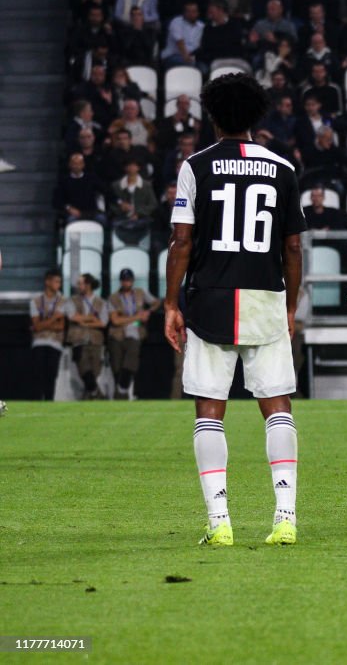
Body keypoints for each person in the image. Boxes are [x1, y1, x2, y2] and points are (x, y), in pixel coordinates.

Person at [163, 73, 307, 547]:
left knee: (209, 409)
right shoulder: (283, 168)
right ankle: (285, 518)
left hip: (211, 299)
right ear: (256, 115)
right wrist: (290, 305)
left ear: (211, 114)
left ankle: (219, 521)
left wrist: (170, 303)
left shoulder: (196, 166)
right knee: (277, 406)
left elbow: (181, 241)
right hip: (265, 297)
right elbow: (292, 248)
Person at [107, 268, 160, 399]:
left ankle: (122, 390)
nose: (127, 283)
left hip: (135, 332)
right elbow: (115, 320)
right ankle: (121, 393)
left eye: (129, 280)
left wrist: (148, 312)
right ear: (121, 281)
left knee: (131, 358)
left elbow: (156, 302)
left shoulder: (140, 293)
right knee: (117, 365)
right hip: (117, 334)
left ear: (132, 281)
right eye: (124, 280)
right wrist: (136, 317)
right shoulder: (113, 298)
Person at [65, 273, 108, 400]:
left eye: (80, 283)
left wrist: (83, 321)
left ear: (88, 285)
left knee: (94, 373)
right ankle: (99, 396)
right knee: (84, 370)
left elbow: (103, 322)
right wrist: (92, 318)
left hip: (95, 341)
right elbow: (72, 316)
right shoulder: (72, 300)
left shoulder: (101, 302)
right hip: (78, 340)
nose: (78, 286)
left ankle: (89, 400)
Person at [30, 269, 67, 400]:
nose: (59, 284)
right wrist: (53, 319)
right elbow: (36, 326)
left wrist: (42, 324)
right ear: (47, 282)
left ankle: (48, 403)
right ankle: (36, 404)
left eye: (60, 282)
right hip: (39, 343)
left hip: (55, 343)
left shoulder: (62, 300)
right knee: (38, 375)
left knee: (51, 376)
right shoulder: (35, 301)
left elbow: (61, 326)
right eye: (56, 281)